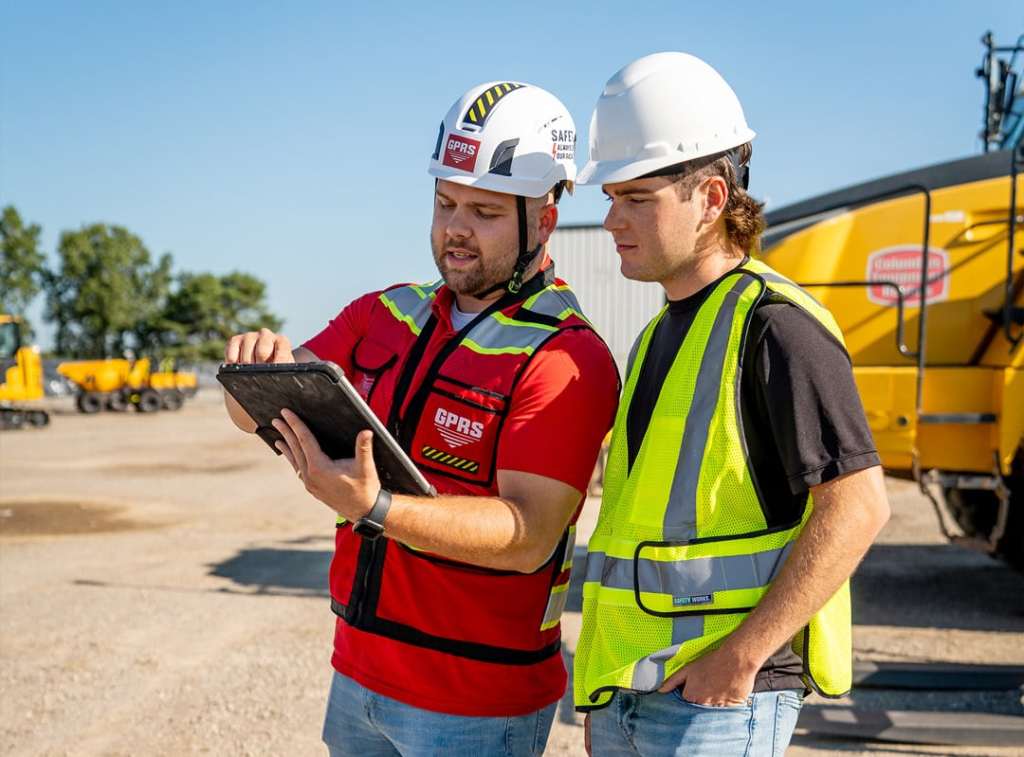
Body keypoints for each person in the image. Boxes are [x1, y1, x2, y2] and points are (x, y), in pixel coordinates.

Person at [223, 80, 619, 756]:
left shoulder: (566, 357)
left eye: (485, 211)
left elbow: (528, 533)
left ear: (544, 221)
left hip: (475, 707)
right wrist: (251, 369)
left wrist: (375, 506)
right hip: (358, 675)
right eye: (444, 203)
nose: (455, 227)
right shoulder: (385, 313)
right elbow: (253, 407)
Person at [571, 52, 892, 755]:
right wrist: (606, 693)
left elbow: (859, 506)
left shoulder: (777, 326)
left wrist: (742, 655)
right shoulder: (660, 331)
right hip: (635, 693)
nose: (611, 220)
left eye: (636, 198)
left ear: (712, 199)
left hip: (716, 704)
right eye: (610, 197)